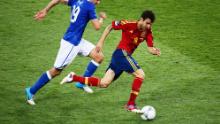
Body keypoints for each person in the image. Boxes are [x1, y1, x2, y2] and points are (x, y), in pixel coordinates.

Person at [60, 10, 161, 113]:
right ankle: (130, 104)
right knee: (140, 75)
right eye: (147, 23)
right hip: (121, 54)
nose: (148, 26)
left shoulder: (148, 31)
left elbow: (150, 47)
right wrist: (100, 42)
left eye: (150, 24)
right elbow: (110, 27)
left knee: (104, 83)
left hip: (121, 58)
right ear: (142, 19)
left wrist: (154, 51)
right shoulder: (128, 24)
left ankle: (74, 77)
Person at [25, 0, 107, 105]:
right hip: (71, 44)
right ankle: (31, 91)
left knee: (98, 56)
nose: (99, 2)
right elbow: (97, 27)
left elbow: (58, 0)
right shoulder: (90, 6)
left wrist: (46, 10)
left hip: (76, 40)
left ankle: (82, 83)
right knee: (56, 71)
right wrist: (101, 18)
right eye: (98, 0)